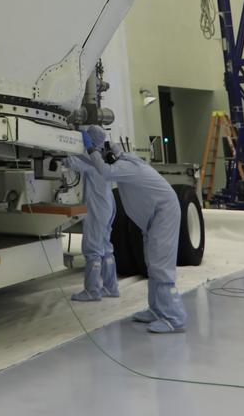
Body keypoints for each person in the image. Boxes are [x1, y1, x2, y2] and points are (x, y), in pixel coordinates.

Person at [83, 133, 187, 334]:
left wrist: (91, 150)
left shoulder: (127, 166)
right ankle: (157, 310)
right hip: (153, 218)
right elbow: (111, 160)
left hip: (162, 214)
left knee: (161, 266)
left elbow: (104, 171)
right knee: (152, 263)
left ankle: (174, 318)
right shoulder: (127, 160)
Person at [64, 125, 119, 302]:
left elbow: (70, 162)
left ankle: (92, 291)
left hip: (97, 209)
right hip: (109, 206)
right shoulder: (103, 159)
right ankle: (111, 287)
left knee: (93, 249)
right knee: (105, 247)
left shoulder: (92, 161)